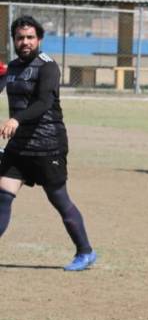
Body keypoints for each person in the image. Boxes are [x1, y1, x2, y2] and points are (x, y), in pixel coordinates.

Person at [0, 16, 97, 271]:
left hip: (47, 144)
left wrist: (16, 120)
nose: (25, 42)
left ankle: (85, 252)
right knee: (2, 196)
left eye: (30, 37)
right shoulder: (11, 68)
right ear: (14, 40)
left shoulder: (48, 67)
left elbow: (43, 103)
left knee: (59, 200)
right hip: (18, 147)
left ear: (39, 39)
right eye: (20, 37)